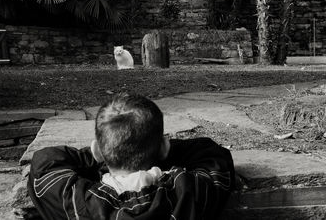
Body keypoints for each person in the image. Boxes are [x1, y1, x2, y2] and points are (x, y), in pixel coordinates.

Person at [28, 93, 235, 220]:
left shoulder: (76, 201)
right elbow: (211, 154)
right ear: (164, 148)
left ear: (97, 150)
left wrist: (107, 151)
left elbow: (45, 160)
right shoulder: (188, 192)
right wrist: (155, 147)